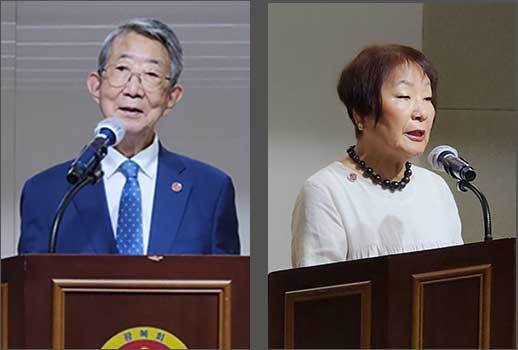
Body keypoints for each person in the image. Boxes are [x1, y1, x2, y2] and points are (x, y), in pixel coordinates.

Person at [18, 18, 240, 255]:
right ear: (96, 86)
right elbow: (32, 287)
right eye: (122, 70)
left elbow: (229, 287)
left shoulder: (210, 190)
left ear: (172, 97)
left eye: (151, 74)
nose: (133, 90)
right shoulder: (45, 192)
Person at [291, 44, 463, 267]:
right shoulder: (326, 191)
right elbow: (317, 294)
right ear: (361, 113)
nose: (421, 112)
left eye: (427, 98)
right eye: (404, 96)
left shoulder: (435, 187)